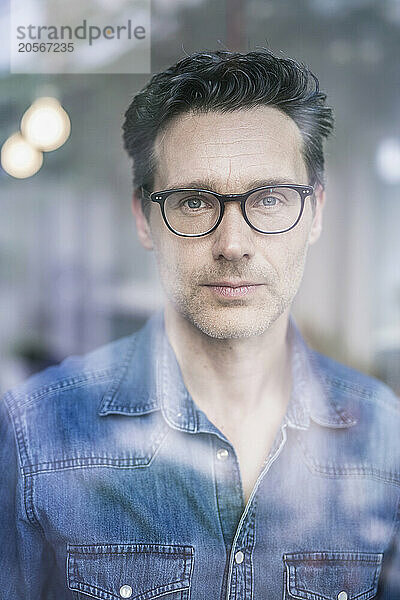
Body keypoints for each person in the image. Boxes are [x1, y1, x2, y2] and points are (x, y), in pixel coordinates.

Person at [1, 49, 399, 600]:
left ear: (316, 213)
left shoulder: (386, 438)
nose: (233, 245)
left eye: (270, 199)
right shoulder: (33, 432)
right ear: (144, 218)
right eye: (193, 202)